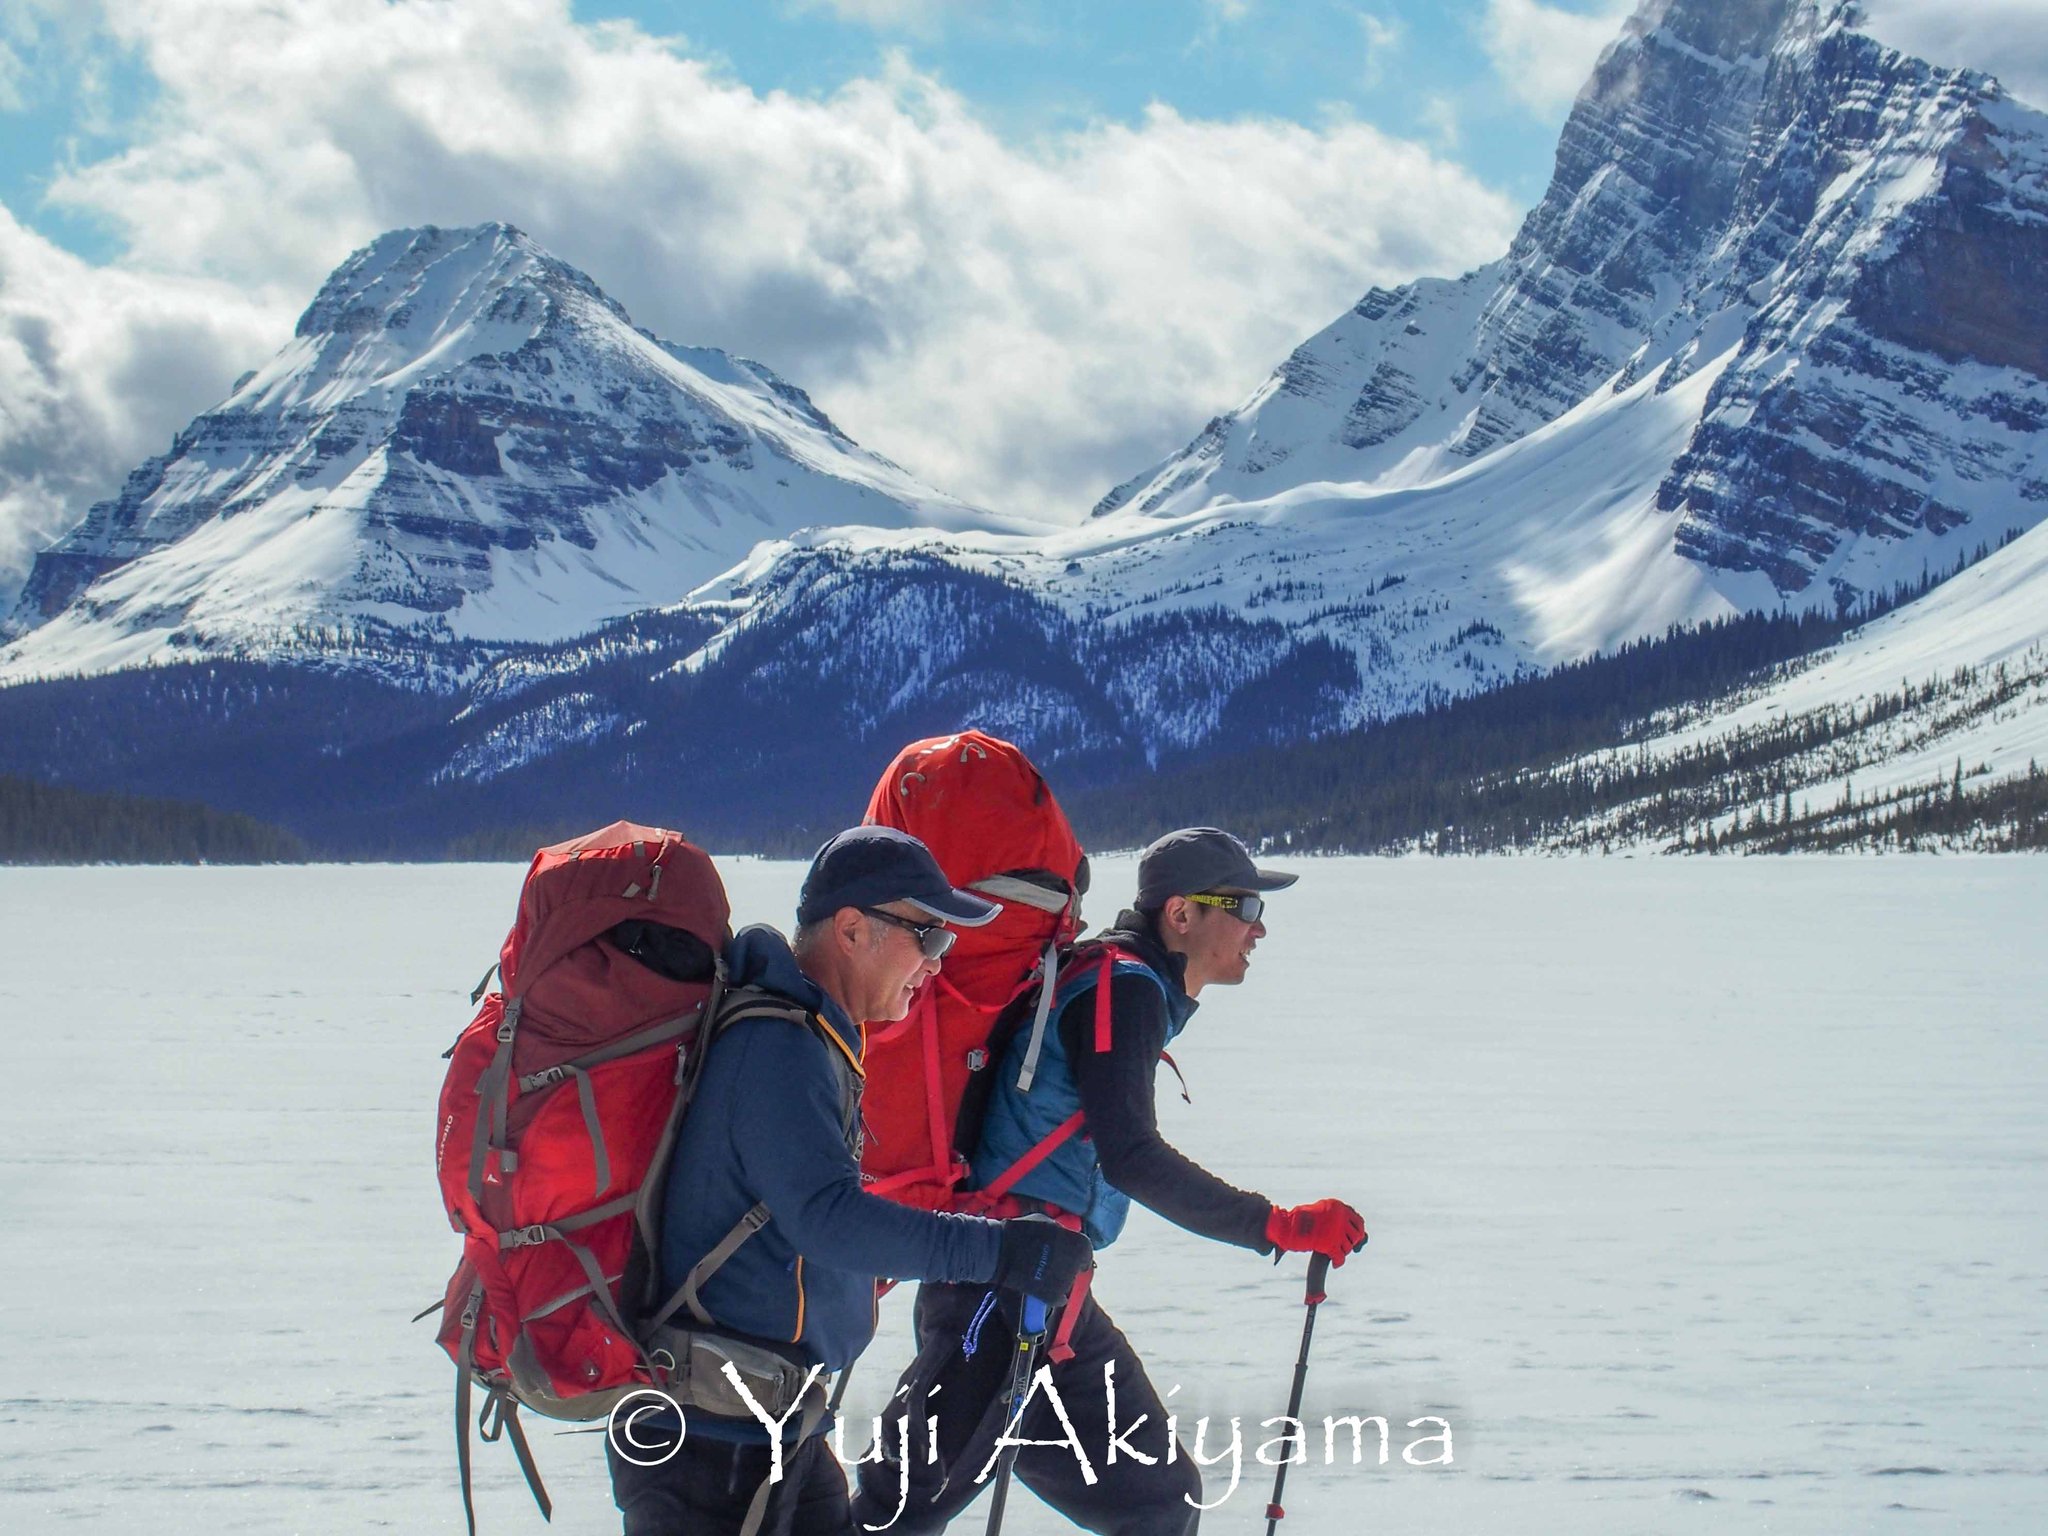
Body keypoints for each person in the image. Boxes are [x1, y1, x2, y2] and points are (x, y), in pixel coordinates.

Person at [852, 827, 1367, 1536]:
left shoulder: (1123, 983)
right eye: (1244, 907)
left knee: (1158, 1502)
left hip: (1046, 1299)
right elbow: (1130, 1154)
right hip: (1000, 1293)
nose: (1260, 927)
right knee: (897, 1514)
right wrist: (1273, 1223)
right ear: (1181, 914)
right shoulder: (1122, 990)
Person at [607, 825, 1093, 1536]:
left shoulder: (809, 1035)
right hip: (713, 1448)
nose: (937, 963)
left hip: (770, 1428)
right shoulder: (779, 1044)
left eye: (945, 943)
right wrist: (1003, 1252)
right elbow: (829, 1220)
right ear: (852, 928)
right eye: (928, 936)